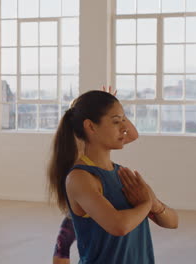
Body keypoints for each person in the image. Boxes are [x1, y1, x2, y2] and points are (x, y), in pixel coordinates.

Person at [48, 90, 178, 263]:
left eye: (124, 120)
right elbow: (119, 226)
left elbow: (173, 222)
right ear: (91, 127)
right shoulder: (80, 178)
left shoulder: (122, 173)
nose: (124, 127)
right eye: (116, 122)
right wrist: (146, 203)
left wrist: (154, 204)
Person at [52, 86, 139, 264]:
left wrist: (117, 115)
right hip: (83, 190)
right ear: (89, 124)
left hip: (94, 193)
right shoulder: (79, 139)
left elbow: (132, 135)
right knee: (64, 242)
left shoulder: (95, 137)